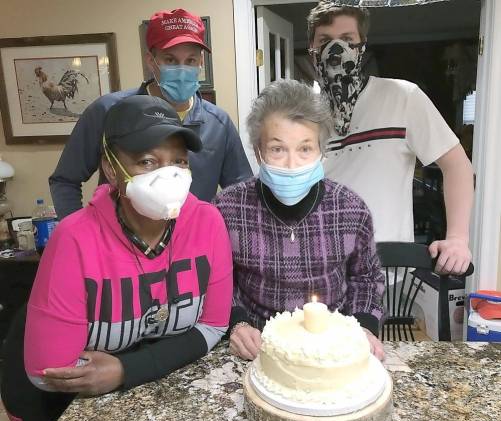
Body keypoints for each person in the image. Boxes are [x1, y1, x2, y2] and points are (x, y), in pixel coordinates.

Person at [1, 95, 233, 421]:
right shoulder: (73, 239)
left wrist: (127, 368)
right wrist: (168, 352)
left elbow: (213, 325)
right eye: (148, 162)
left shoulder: (207, 222)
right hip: (53, 403)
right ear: (111, 168)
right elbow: (54, 373)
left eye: (179, 162)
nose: (169, 176)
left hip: (148, 392)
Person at [213, 80, 385, 362]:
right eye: (278, 149)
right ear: (258, 152)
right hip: (259, 347)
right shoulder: (228, 208)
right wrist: (238, 322)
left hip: (333, 345)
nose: (292, 165)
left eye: (305, 149)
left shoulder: (351, 209)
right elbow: (219, 279)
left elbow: (365, 277)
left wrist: (363, 327)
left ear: (322, 151)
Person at [307, 3, 474, 275]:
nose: (335, 51)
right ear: (312, 51)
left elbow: (457, 165)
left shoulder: (403, 98)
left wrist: (458, 238)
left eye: (348, 40)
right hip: (322, 274)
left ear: (362, 47)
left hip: (388, 273)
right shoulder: (303, 112)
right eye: (324, 41)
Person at [49, 8, 252, 220]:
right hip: (119, 244)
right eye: (170, 60)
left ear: (201, 62)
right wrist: (80, 233)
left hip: (190, 245)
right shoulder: (108, 111)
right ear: (151, 61)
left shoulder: (218, 124)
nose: (182, 70)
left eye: (191, 60)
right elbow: (64, 180)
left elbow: (242, 196)